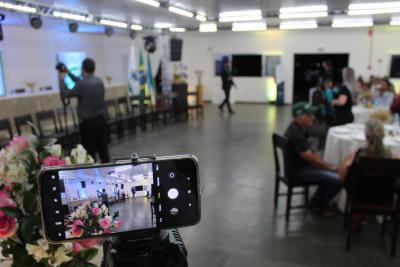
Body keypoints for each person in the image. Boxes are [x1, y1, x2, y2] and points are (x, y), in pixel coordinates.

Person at [284, 102, 342, 208]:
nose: (313, 117)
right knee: (339, 179)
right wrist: (331, 169)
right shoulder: (296, 134)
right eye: (309, 115)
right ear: (300, 117)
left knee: (332, 171)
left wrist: (328, 166)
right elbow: (312, 159)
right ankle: (318, 204)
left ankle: (317, 201)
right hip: (300, 171)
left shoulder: (297, 128)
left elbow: (311, 155)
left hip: (300, 167)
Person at [58, 58, 110, 163]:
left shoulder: (82, 84)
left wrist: (62, 79)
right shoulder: (99, 81)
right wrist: (69, 73)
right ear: (94, 69)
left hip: (88, 125)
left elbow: (66, 93)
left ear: (83, 69)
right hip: (101, 121)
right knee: (103, 151)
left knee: (90, 154)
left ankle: (92, 177)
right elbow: (80, 82)